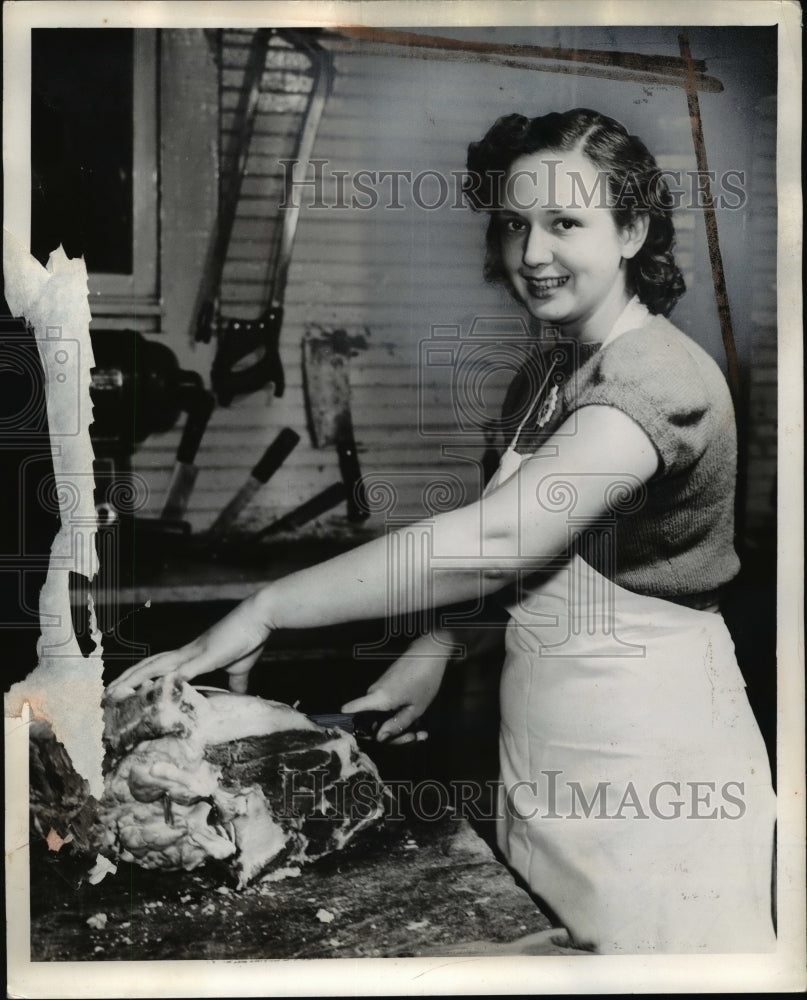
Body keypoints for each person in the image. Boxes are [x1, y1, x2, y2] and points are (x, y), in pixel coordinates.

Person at [108, 109, 776, 954]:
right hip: (546, 743)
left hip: (656, 767)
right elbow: (550, 562)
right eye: (512, 224)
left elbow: (500, 540)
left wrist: (266, 608)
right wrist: (438, 649)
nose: (531, 255)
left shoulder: (658, 379)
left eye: (565, 223)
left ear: (632, 229)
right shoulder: (546, 376)